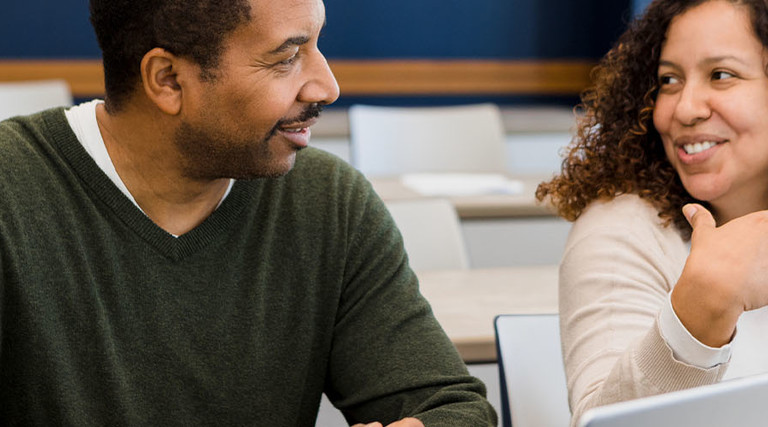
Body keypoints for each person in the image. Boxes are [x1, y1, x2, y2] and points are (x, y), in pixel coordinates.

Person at [0, 0, 497, 425]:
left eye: (318, 46)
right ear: (168, 80)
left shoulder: (327, 201)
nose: (326, 86)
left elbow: (451, 408)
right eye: (286, 59)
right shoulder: (12, 191)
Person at [536, 0, 768, 425]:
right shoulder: (622, 231)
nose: (683, 109)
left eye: (721, 75)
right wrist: (699, 313)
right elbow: (603, 421)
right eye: (669, 80)